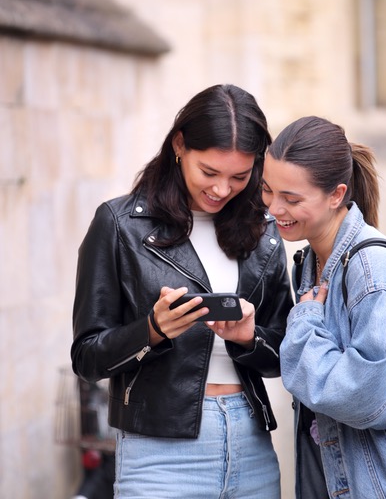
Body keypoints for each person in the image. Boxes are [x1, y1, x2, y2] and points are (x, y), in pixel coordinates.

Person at [71, 84, 294, 499]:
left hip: (251, 443)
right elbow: (87, 357)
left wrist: (249, 338)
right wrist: (152, 330)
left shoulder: (264, 230)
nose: (222, 189)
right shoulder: (120, 225)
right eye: (209, 172)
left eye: (240, 177)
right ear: (179, 145)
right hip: (159, 451)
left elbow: (285, 353)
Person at [261, 115, 386, 499]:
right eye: (268, 190)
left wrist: (303, 324)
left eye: (291, 199)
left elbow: (366, 397)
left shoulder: (371, 270)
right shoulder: (311, 261)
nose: (272, 208)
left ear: (336, 195)